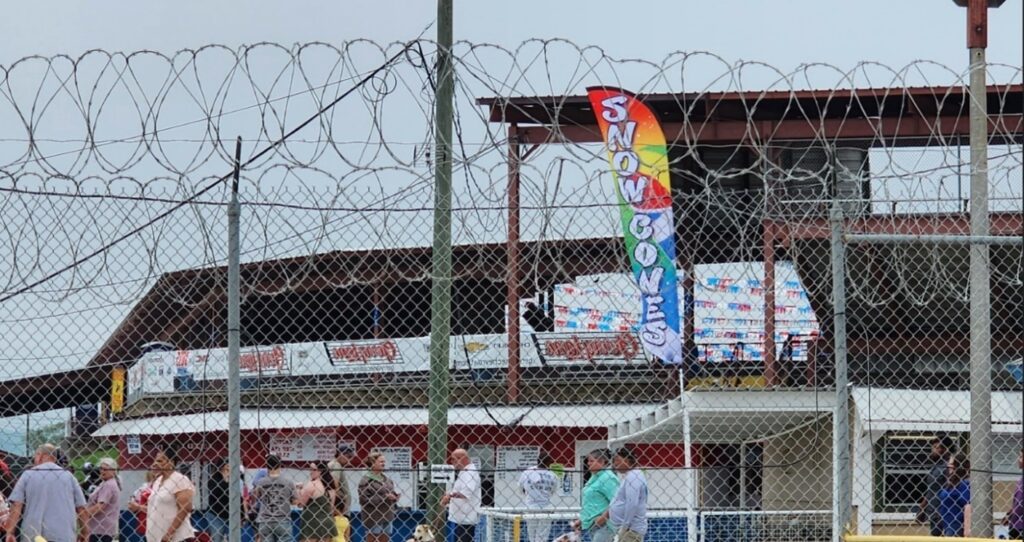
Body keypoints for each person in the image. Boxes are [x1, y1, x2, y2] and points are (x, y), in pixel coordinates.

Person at [4, 443, 88, 542]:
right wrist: (85, 533)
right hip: (64, 534)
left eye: (35, 455)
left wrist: (10, 532)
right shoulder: (69, 477)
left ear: (40, 455)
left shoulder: (28, 475)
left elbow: (17, 504)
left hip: (34, 534)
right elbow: (81, 508)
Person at [146, 446, 196, 542]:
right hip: (156, 537)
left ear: (171, 462)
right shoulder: (158, 481)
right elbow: (157, 508)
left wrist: (169, 533)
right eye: (155, 461)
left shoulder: (179, 479)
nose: (155, 464)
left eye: (160, 461)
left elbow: (185, 508)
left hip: (175, 538)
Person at [599, 448, 648, 542]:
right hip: (627, 529)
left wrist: (625, 526)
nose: (614, 463)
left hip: (630, 530)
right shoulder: (630, 476)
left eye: (617, 460)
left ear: (627, 460)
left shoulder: (633, 477)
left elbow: (632, 503)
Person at [357, 452, 399, 542]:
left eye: (384, 461)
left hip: (387, 514)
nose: (383, 464)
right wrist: (383, 497)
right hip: (374, 516)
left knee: (385, 538)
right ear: (373, 463)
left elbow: (390, 492)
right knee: (373, 538)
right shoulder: (366, 480)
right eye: (381, 462)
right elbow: (363, 499)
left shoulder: (386, 479)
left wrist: (394, 497)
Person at [441, 449, 481, 542]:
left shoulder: (469, 473)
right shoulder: (464, 472)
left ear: (462, 458)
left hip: (466, 518)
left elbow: (466, 493)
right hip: (461, 517)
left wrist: (450, 495)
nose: (451, 462)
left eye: (453, 459)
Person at [253, 455, 295, 542]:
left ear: (267, 466)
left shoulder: (261, 482)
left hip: (265, 520)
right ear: (279, 465)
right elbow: (295, 501)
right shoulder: (288, 482)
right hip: (282, 519)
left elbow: (256, 496)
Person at [579, 449, 618, 542]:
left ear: (602, 462)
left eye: (591, 461)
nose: (588, 463)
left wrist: (603, 518)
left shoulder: (608, 478)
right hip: (593, 524)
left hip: (604, 525)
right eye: (588, 461)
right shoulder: (594, 477)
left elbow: (617, 501)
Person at [518, 451, 557, 542]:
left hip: (530, 507)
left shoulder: (527, 472)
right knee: (542, 536)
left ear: (537, 460)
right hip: (546, 507)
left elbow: (520, 488)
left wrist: (529, 493)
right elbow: (553, 492)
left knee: (531, 534)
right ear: (549, 463)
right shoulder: (553, 475)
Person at [919, 434, 953, 536]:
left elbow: (951, 487)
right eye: (932, 447)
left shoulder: (949, 466)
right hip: (934, 511)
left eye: (936, 448)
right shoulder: (936, 466)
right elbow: (931, 489)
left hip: (945, 511)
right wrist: (922, 507)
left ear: (946, 449)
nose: (933, 451)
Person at [296, 462, 338, 542]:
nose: (310, 472)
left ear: (320, 471)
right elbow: (331, 508)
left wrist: (299, 489)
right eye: (310, 469)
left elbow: (300, 504)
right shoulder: (331, 487)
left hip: (311, 523)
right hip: (327, 523)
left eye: (313, 470)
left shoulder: (312, 484)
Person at [84, 458, 122, 542]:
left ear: (113, 471)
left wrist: (83, 515)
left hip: (101, 528)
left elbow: (100, 506)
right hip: (100, 528)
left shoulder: (109, 485)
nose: (102, 471)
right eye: (101, 469)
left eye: (105, 469)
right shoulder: (106, 483)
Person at [938, 453, 971, 537]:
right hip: (947, 525)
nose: (948, 466)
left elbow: (967, 506)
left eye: (952, 464)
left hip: (956, 527)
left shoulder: (964, 483)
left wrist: (967, 530)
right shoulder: (951, 483)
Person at [128, 471, 157, 542]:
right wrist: (136, 506)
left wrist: (139, 507)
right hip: (145, 523)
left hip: (158, 524)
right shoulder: (144, 488)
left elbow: (158, 510)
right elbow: (131, 504)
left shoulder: (163, 488)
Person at [206, 460, 231, 542]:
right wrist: (226, 480)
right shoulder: (213, 480)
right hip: (215, 514)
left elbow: (239, 497)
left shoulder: (234, 480)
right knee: (217, 538)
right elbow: (216, 492)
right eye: (227, 468)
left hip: (230, 514)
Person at [1002, 447, 1024, 540]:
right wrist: (1010, 514)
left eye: (1021, 457)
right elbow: (1018, 502)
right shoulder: (1021, 480)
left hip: (1020, 526)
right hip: (1016, 524)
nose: (1018, 460)